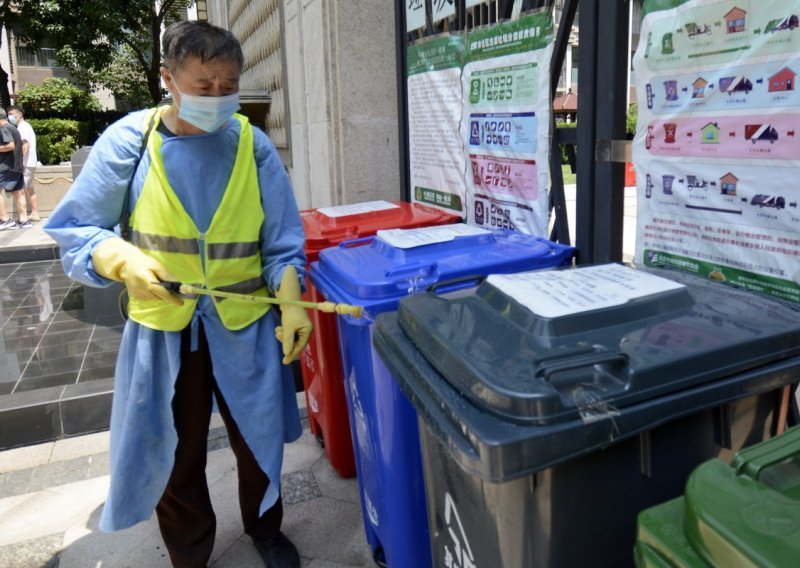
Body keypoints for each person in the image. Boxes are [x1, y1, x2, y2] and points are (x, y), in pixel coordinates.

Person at [45, 20, 311, 568]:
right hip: (166, 327)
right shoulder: (130, 141)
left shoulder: (251, 146)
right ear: (168, 79)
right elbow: (77, 229)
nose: (218, 98)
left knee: (257, 437)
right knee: (175, 448)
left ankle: (266, 527)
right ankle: (190, 552)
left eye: (229, 85)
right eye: (203, 86)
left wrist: (290, 297)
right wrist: (119, 258)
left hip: (245, 322)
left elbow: (282, 241)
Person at [7, 105, 39, 222]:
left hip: (26, 163)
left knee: (20, 190)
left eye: (11, 114)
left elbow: (25, 145)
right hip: (29, 162)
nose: (10, 116)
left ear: (19, 114)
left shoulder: (23, 127)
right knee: (29, 188)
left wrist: (19, 162)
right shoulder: (24, 126)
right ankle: (34, 213)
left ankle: (23, 217)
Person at [0, 108, 29, 229]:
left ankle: (4, 219)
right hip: (16, 166)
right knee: (18, 192)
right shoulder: (13, 127)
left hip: (7, 166)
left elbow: (10, 145)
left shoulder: (4, 128)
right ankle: (24, 220)